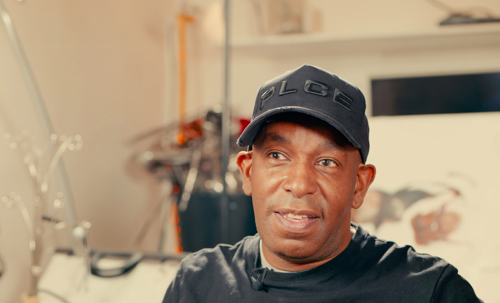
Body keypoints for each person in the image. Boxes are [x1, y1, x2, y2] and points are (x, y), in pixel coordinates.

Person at [163, 65, 481, 302]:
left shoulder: (430, 291)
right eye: (277, 155)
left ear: (359, 185)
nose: (299, 184)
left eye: (326, 162)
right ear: (248, 173)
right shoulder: (199, 283)